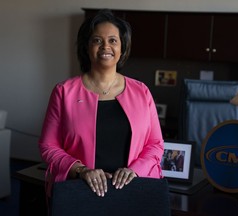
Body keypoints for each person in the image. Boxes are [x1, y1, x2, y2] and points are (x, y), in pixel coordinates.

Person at [38, 9, 164, 197]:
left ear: (122, 48)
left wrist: (135, 170)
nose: (106, 46)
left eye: (113, 40)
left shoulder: (141, 91)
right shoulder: (63, 92)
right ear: (87, 47)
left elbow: (155, 144)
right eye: (97, 40)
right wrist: (81, 170)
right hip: (80, 191)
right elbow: (48, 146)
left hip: (133, 188)